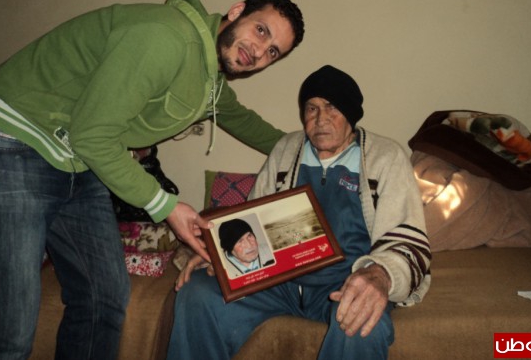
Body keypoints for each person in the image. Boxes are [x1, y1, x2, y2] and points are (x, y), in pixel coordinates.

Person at [0, 0, 304, 359]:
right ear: (236, 11)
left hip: (76, 155)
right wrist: (165, 205)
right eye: (261, 30)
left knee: (104, 298)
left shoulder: (209, 80)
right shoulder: (166, 37)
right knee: (11, 328)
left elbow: (245, 122)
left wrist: (312, 147)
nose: (259, 51)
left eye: (273, 51)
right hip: (18, 136)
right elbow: (93, 136)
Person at [170, 65, 431, 360]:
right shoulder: (286, 149)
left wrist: (380, 274)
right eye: (311, 108)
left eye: (332, 107)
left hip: (345, 281)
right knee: (199, 292)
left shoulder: (385, 157)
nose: (320, 119)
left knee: (361, 324)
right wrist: (219, 254)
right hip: (279, 283)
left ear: (350, 112)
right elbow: (254, 220)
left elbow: (406, 237)